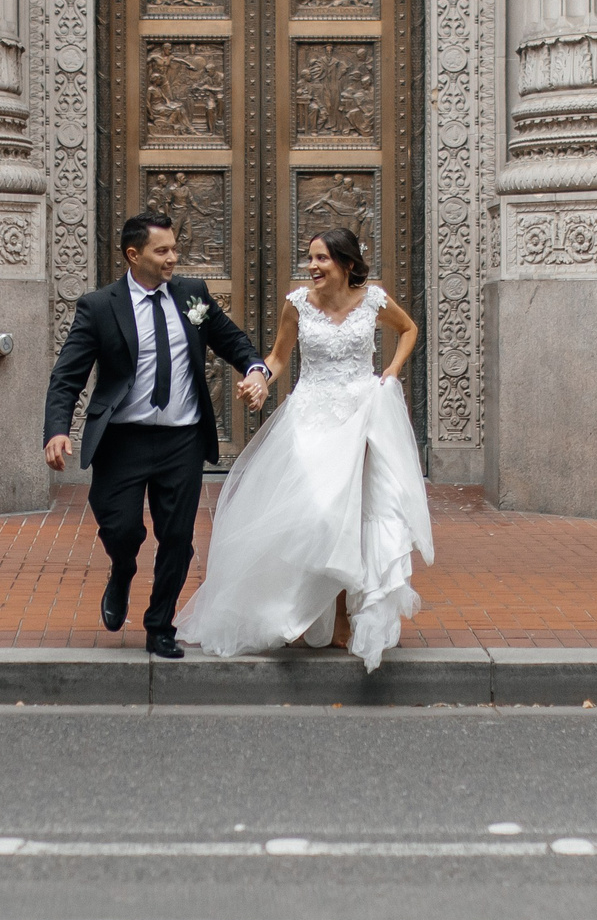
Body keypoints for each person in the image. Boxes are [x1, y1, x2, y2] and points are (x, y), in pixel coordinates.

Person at [177, 228, 433, 673]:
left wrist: (390, 372)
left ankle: (339, 620)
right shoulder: (298, 305)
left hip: (361, 418)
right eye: (310, 258)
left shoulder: (373, 300)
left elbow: (409, 329)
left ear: (347, 264)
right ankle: (295, 608)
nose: (312, 266)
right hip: (310, 419)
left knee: (349, 517)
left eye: (321, 259)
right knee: (315, 514)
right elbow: (278, 358)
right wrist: (259, 380)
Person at [43, 212, 272, 657]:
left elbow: (230, 339)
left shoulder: (192, 295)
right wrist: (56, 430)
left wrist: (256, 370)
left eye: (174, 249)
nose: (173, 258)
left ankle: (159, 624)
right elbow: (67, 376)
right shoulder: (99, 306)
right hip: (122, 440)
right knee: (122, 527)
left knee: (178, 539)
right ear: (134, 255)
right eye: (162, 250)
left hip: (181, 439)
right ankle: (122, 569)